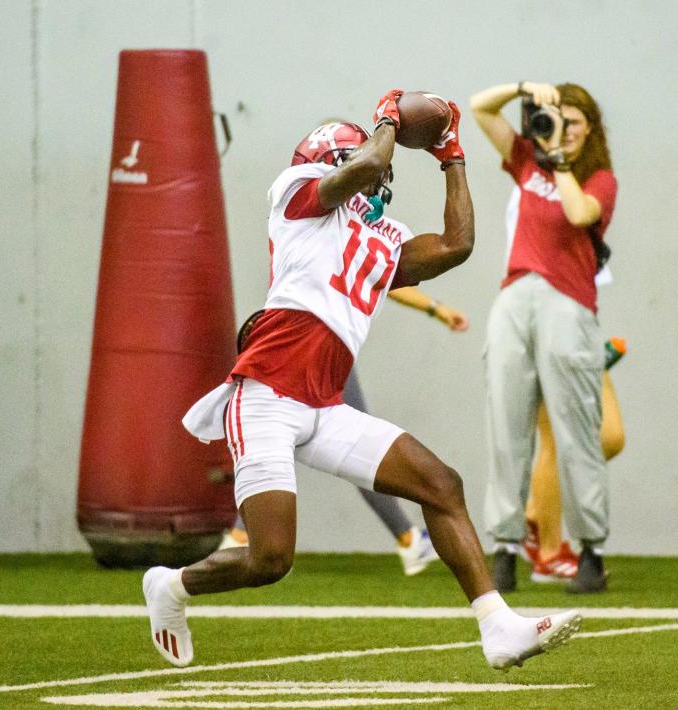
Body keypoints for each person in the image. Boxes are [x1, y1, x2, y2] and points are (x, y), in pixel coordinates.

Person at [142, 91, 580, 669]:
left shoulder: (381, 236)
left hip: (324, 404)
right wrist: (390, 117)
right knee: (270, 559)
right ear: (333, 161)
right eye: (375, 164)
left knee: (441, 485)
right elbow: (370, 164)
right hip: (266, 396)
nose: (382, 179)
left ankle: (497, 627)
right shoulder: (296, 194)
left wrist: (453, 156)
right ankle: (170, 588)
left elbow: (457, 243)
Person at [470, 81, 617, 593]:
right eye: (558, 119)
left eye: (574, 122)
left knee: (577, 432)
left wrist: (558, 159)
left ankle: (591, 550)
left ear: (590, 128)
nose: (564, 130)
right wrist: (521, 90)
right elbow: (478, 109)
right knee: (505, 427)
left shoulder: (599, 179)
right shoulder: (527, 161)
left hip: (568, 304)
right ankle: (505, 547)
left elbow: (579, 214)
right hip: (516, 294)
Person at [220, 286, 469, 579]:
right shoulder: (330, 249)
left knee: (315, 438)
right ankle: (408, 538)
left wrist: (435, 308)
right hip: (313, 343)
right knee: (356, 443)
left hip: (301, 341)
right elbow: (389, 281)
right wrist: (436, 308)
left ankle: (408, 537)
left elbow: (386, 279)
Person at [524, 340, 626, 582]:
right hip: (548, 335)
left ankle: (532, 516)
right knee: (555, 443)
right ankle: (549, 556)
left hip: (582, 331)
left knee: (611, 438)